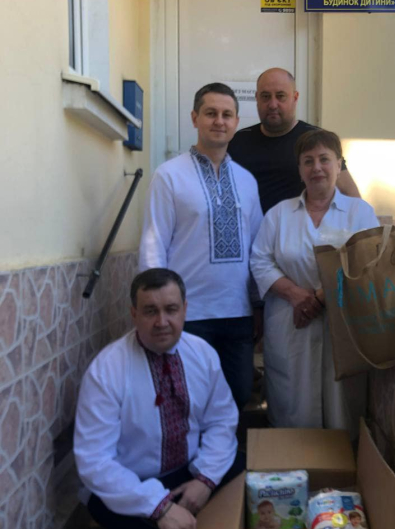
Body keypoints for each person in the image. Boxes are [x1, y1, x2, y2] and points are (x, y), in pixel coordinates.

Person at [74, 268, 242, 529]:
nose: (162, 321)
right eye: (150, 310)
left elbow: (222, 420)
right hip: (123, 486)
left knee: (241, 467)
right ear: (133, 314)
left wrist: (205, 480)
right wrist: (159, 508)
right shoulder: (107, 370)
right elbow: (94, 461)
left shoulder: (202, 353)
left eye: (171, 309)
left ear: (185, 309)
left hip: (185, 472)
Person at [139, 83, 263, 410]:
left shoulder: (247, 181)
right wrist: (156, 309)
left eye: (227, 115)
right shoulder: (169, 176)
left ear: (236, 122)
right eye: (211, 113)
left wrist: (258, 306)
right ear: (195, 118)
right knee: (186, 400)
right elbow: (153, 244)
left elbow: (257, 249)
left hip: (237, 313)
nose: (219, 121)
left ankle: (224, 447)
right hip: (187, 314)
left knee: (237, 395)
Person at [250, 129, 379, 438]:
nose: (316, 168)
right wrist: (296, 295)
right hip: (289, 323)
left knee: (342, 410)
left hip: (343, 326)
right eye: (308, 161)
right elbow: (259, 260)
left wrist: (320, 298)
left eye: (324, 159)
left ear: (339, 165)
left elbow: (369, 263)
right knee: (291, 407)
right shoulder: (279, 214)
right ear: (299, 170)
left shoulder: (360, 213)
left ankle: (341, 464)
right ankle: (291, 466)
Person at [228, 68, 360, 214]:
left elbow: (351, 196)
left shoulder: (318, 141)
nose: (273, 104)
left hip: (304, 228)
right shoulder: (237, 141)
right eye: (265, 96)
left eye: (280, 96)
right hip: (249, 228)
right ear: (257, 99)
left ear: (295, 98)